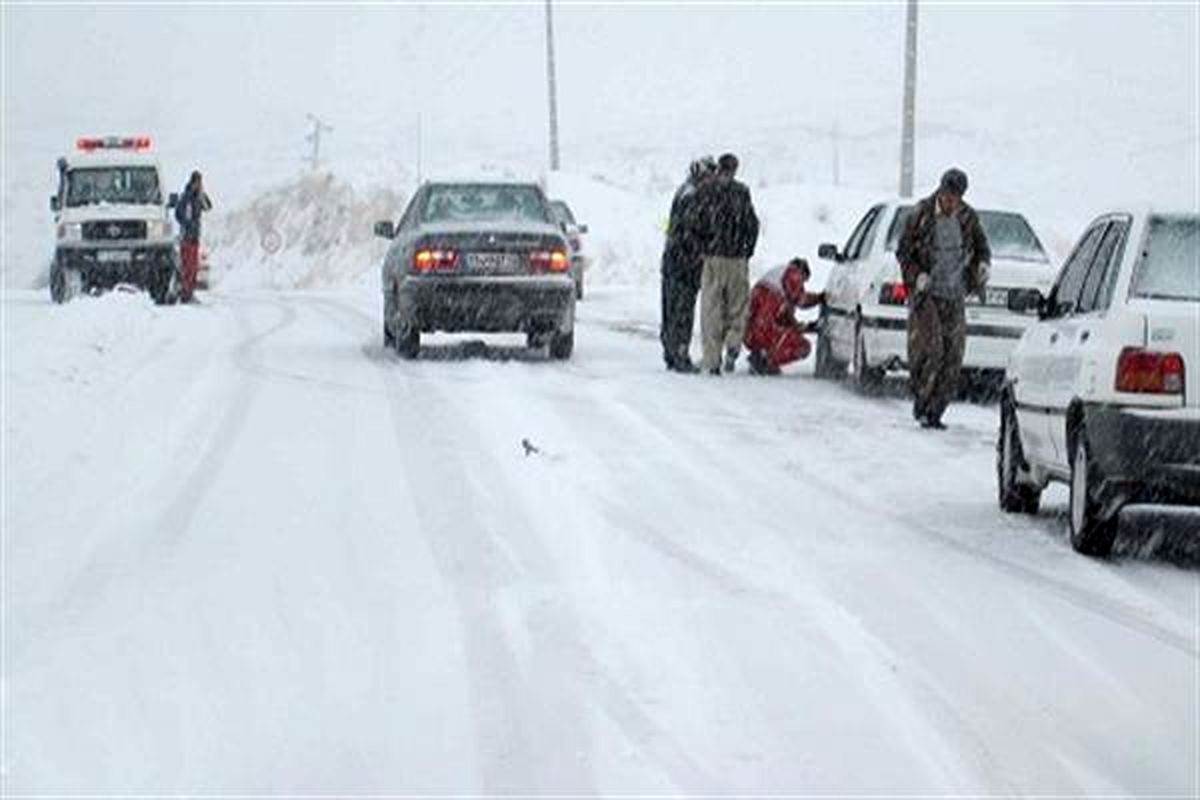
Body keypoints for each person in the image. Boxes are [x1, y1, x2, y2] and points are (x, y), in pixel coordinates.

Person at [896, 167, 991, 429]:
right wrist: (917, 277)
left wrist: (982, 265)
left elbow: (983, 248)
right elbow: (903, 252)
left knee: (953, 355)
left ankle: (936, 411)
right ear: (940, 192)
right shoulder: (920, 215)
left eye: (956, 199)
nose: (951, 203)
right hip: (927, 295)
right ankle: (922, 400)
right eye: (948, 198)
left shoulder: (968, 218)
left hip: (955, 294)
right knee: (931, 348)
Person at [694, 152, 759, 375]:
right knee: (737, 307)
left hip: (713, 257)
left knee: (712, 309)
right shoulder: (742, 192)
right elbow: (753, 224)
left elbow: (698, 223)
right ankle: (733, 344)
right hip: (737, 259)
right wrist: (747, 250)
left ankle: (712, 360)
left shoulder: (707, 192)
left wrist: (703, 248)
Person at [660, 156, 716, 372]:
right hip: (684, 265)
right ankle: (680, 353)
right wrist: (700, 252)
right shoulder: (694, 197)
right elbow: (689, 232)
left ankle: (670, 351)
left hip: (672, 261)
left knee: (670, 310)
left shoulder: (683, 191)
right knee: (682, 312)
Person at [743, 258, 826, 376]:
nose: (802, 285)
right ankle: (765, 360)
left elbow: (784, 319)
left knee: (789, 337)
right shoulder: (792, 272)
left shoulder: (776, 278)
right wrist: (820, 298)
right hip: (764, 327)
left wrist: (805, 327)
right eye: (803, 282)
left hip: (750, 332)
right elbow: (800, 299)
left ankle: (761, 355)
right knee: (803, 346)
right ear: (802, 273)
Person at [175, 170, 212, 302]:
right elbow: (178, 213)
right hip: (186, 236)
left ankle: (189, 291)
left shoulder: (198, 197)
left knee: (194, 266)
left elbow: (208, 207)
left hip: (195, 236)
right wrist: (186, 224)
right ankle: (185, 292)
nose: (199, 185)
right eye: (197, 182)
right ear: (192, 182)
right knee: (187, 266)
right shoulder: (186, 196)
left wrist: (203, 194)